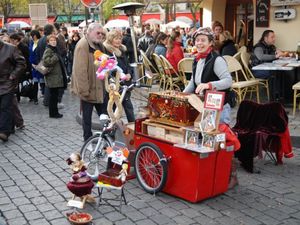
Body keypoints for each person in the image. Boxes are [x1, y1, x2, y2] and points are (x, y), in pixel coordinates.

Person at [183, 27, 232, 124]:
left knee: (218, 136)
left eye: (203, 40)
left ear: (210, 43)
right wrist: (182, 95)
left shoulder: (217, 60)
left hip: (219, 108)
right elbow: (193, 81)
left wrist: (208, 85)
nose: (199, 43)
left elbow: (228, 81)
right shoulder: (197, 59)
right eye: (197, 40)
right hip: (204, 105)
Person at [71, 23, 107, 141]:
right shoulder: (83, 45)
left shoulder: (99, 45)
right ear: (89, 31)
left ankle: (105, 138)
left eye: (102, 33)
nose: (100, 35)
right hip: (89, 88)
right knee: (87, 118)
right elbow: (80, 70)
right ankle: (87, 140)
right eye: (98, 33)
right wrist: (84, 90)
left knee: (104, 115)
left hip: (99, 87)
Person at [103, 29, 135, 123]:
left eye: (120, 38)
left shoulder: (121, 49)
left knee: (128, 106)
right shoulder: (107, 51)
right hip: (114, 83)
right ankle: (112, 127)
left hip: (125, 83)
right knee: (113, 107)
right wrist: (120, 75)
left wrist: (129, 73)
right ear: (110, 39)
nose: (118, 40)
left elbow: (127, 64)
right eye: (116, 38)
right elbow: (109, 68)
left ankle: (132, 126)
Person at [0, 39, 26, 142]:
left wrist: (13, 76)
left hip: (7, 83)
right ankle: (9, 127)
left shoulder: (11, 48)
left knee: (5, 106)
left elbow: (21, 63)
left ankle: (4, 131)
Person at [42, 34, 67, 118]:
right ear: (48, 42)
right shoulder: (49, 50)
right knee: (53, 96)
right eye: (51, 40)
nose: (54, 42)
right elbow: (46, 62)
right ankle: (53, 113)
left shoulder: (55, 49)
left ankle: (54, 112)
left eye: (55, 40)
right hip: (52, 77)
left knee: (55, 96)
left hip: (56, 76)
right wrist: (55, 57)